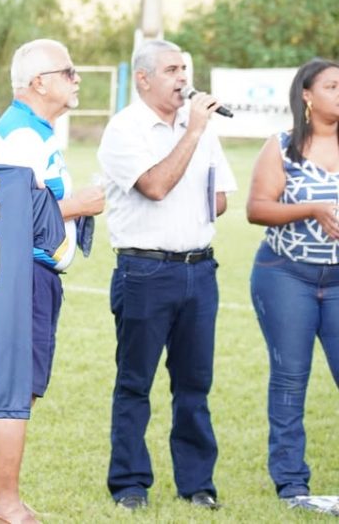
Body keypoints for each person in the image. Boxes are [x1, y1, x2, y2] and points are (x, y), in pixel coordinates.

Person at [96, 39, 237, 511]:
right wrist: (192, 132)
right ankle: (130, 484)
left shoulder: (201, 128)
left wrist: (195, 141)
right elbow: (155, 187)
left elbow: (221, 197)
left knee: (194, 384)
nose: (183, 78)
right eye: (172, 69)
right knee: (135, 382)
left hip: (199, 269)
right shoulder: (125, 129)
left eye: (184, 68)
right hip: (145, 271)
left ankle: (197, 484)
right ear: (143, 78)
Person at [0, 39, 105, 523]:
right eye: (68, 71)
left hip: (30, 275)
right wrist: (80, 204)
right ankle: (3, 501)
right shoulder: (24, 137)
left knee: (19, 390)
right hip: (22, 275)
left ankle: (2, 501)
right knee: (15, 391)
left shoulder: (33, 130)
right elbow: (12, 213)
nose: (77, 78)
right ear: (39, 82)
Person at [246, 58, 339, 514]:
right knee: (290, 377)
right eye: (333, 86)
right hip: (285, 275)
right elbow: (257, 209)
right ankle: (291, 484)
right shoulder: (282, 148)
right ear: (307, 95)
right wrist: (312, 209)